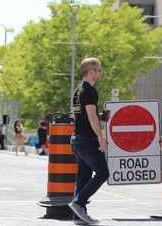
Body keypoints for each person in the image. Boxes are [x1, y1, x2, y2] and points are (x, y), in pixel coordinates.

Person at [68, 57, 110, 225]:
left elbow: (84, 115)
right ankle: (78, 203)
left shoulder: (78, 90)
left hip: (77, 139)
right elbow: (91, 116)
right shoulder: (90, 90)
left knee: (84, 176)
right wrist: (101, 137)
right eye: (99, 70)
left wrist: (101, 117)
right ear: (91, 72)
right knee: (102, 173)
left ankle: (78, 216)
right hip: (87, 140)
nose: (101, 73)